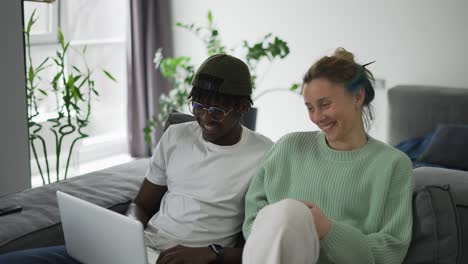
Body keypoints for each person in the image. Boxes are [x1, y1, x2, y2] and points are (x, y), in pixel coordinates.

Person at [0, 54, 273, 264]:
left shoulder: (264, 154)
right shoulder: (177, 136)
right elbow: (141, 204)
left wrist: (213, 254)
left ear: (242, 107)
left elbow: (272, 247)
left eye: (217, 110)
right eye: (199, 106)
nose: (204, 118)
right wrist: (128, 229)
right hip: (139, 251)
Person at [242, 48, 414, 264]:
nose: (317, 117)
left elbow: (390, 251)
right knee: (288, 212)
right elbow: (254, 218)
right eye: (310, 108)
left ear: (357, 97)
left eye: (325, 104)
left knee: (291, 211)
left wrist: (328, 230)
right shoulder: (288, 146)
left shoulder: (393, 165)